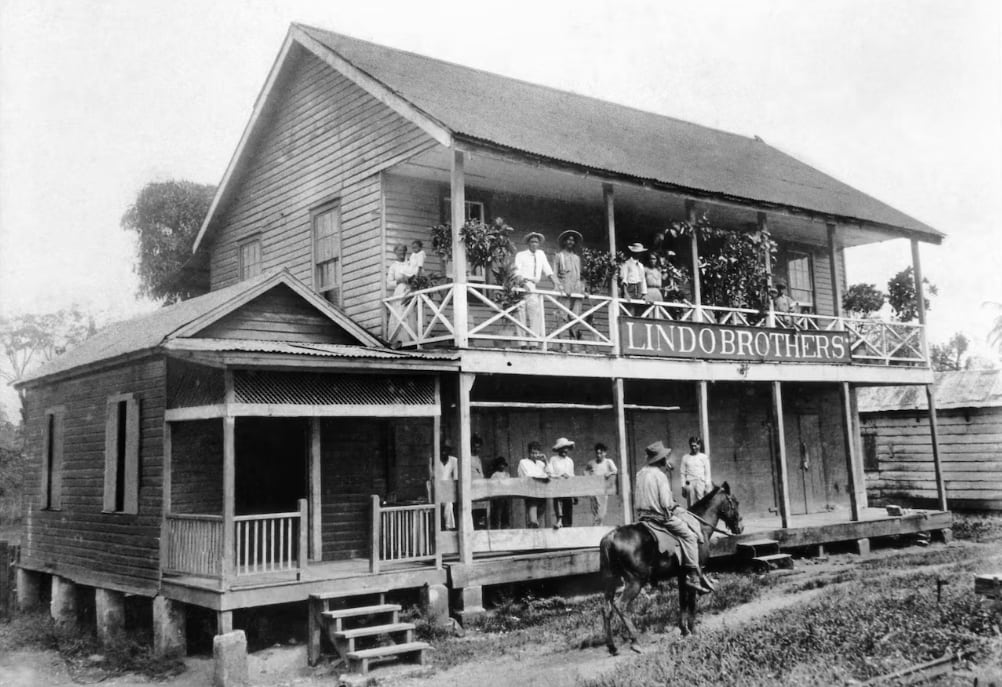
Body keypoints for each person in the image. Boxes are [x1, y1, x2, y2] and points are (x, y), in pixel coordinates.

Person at [634, 440, 713, 594]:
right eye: (665, 457)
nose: (667, 459)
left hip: (643, 516)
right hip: (659, 517)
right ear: (661, 459)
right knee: (690, 535)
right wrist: (674, 504)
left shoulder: (640, 473)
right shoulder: (660, 476)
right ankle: (692, 576)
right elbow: (666, 503)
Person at [513, 233, 564, 345]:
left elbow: (548, 271)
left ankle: (533, 342)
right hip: (521, 284)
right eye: (532, 241)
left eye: (536, 242)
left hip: (533, 285)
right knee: (520, 313)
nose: (534, 244)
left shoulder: (541, 254)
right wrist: (522, 283)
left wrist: (557, 284)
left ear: (539, 243)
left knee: (535, 313)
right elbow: (516, 271)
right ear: (528, 243)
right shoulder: (521, 255)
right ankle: (522, 344)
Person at [554, 230, 584, 349]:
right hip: (564, 289)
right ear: (564, 241)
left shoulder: (576, 258)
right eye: (568, 239)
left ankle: (574, 345)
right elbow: (555, 274)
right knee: (562, 316)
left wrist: (582, 288)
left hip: (576, 290)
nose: (570, 242)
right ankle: (563, 345)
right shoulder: (558, 256)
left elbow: (579, 275)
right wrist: (560, 287)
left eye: (572, 240)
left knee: (575, 317)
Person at [386, 244, 415, 345]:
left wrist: (411, 281)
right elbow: (389, 283)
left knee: (409, 313)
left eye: (403, 250)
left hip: (409, 289)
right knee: (399, 313)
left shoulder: (410, 263)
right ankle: (399, 339)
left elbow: (415, 275)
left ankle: (411, 339)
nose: (401, 253)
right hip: (399, 290)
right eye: (399, 251)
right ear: (395, 252)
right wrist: (398, 281)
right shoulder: (394, 266)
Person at [585, 442, 618, 525]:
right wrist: (589, 474)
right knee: (594, 510)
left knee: (602, 511)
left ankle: (596, 525)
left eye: (601, 453)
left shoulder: (608, 461)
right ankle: (598, 527)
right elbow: (585, 471)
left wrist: (609, 473)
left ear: (605, 453)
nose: (599, 455)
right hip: (593, 488)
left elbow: (615, 470)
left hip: (603, 488)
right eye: (597, 453)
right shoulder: (592, 462)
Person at [517, 440, 549, 527]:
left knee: (541, 515)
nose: (534, 455)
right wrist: (542, 476)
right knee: (533, 519)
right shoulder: (523, 462)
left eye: (536, 453)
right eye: (532, 453)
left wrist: (546, 462)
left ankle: (534, 526)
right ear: (529, 452)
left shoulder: (541, 464)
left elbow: (549, 474)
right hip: (531, 492)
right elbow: (529, 475)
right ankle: (532, 523)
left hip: (542, 492)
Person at [547, 437, 576, 528]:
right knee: (559, 503)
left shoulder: (570, 461)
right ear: (559, 449)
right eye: (562, 448)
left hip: (568, 487)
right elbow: (550, 473)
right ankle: (559, 520)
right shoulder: (553, 459)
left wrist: (575, 493)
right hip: (558, 486)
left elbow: (572, 475)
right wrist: (560, 475)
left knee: (568, 509)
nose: (565, 450)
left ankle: (568, 526)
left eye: (566, 448)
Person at [680, 436, 712, 507]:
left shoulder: (704, 457)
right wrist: (683, 487)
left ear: (699, 445)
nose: (693, 448)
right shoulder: (685, 457)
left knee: (702, 503)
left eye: (695, 445)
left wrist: (707, 486)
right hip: (690, 483)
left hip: (700, 483)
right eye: (692, 446)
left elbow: (707, 473)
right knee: (691, 505)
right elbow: (682, 473)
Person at [435, 439, 458, 530]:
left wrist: (451, 489)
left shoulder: (454, 461)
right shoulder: (436, 461)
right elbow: (432, 477)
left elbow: (456, 477)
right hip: (438, 488)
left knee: (449, 504)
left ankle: (448, 527)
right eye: (442, 450)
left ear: (449, 451)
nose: (444, 452)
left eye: (446, 450)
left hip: (448, 488)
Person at [489, 456, 510, 529]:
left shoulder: (507, 474)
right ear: (497, 466)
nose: (502, 466)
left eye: (503, 465)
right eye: (500, 465)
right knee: (498, 513)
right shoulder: (495, 475)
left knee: (506, 512)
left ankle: (505, 527)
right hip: (498, 497)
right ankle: (497, 527)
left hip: (505, 496)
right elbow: (492, 485)